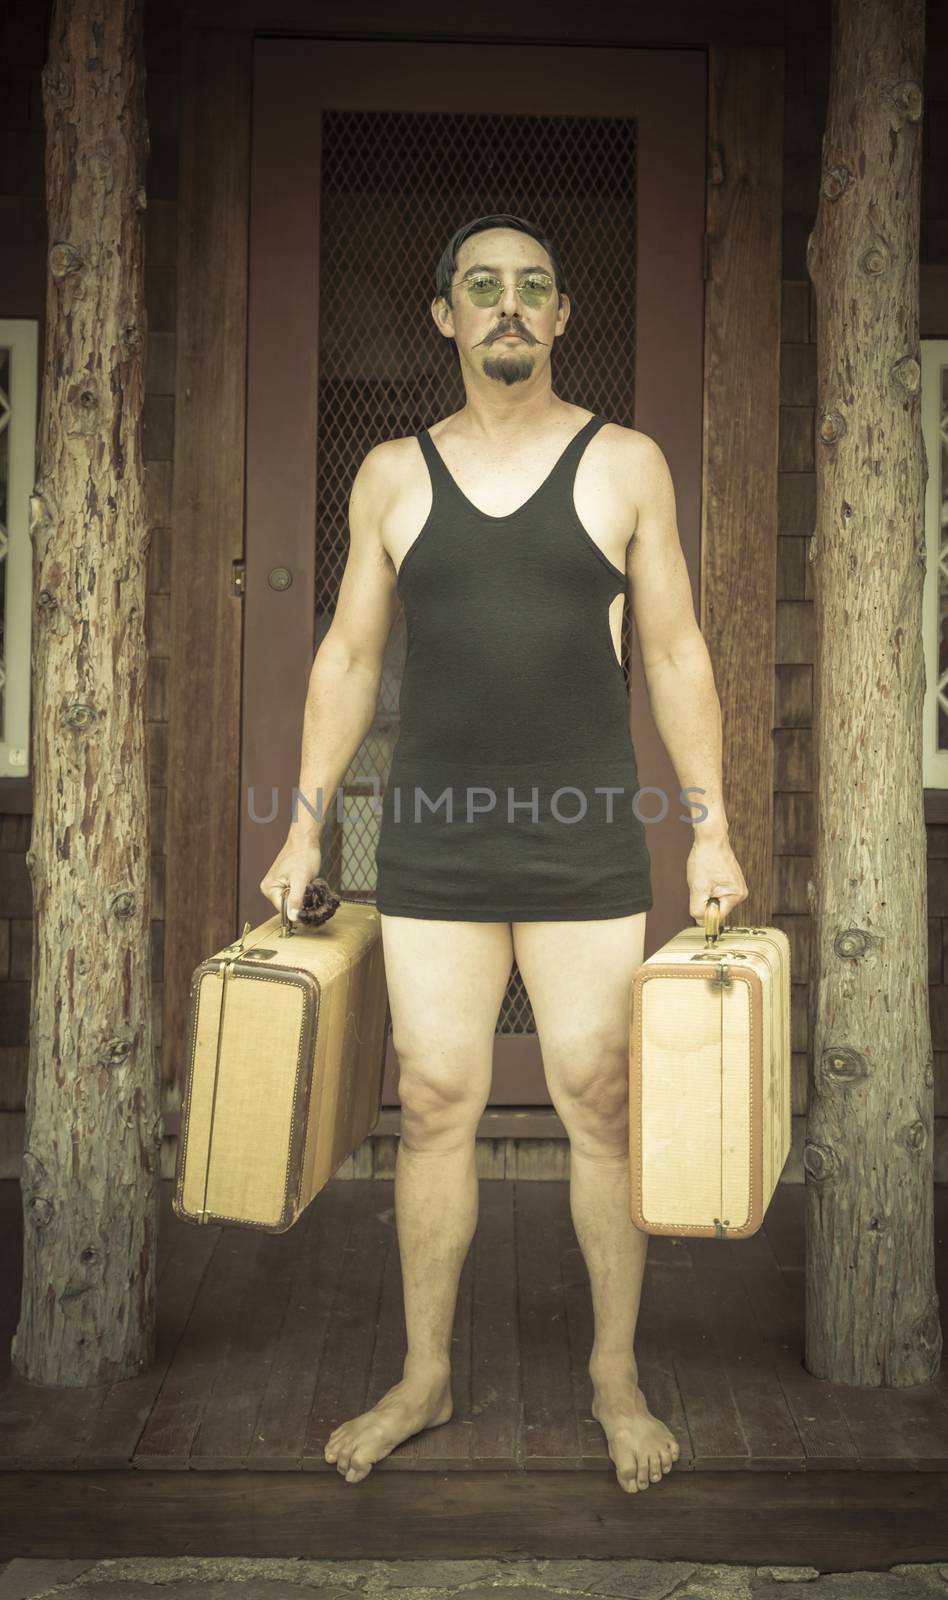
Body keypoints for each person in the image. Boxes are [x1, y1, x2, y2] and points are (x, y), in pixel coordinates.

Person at [260, 213, 748, 1494]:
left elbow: (680, 652)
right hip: (430, 830)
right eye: (482, 287)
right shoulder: (391, 476)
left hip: (586, 825)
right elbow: (351, 661)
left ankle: (614, 1378)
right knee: (431, 1104)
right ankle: (422, 1377)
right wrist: (307, 818)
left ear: (564, 314)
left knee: (595, 1096)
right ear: (445, 317)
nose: (509, 306)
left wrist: (712, 828)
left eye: (532, 287)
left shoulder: (625, 464)